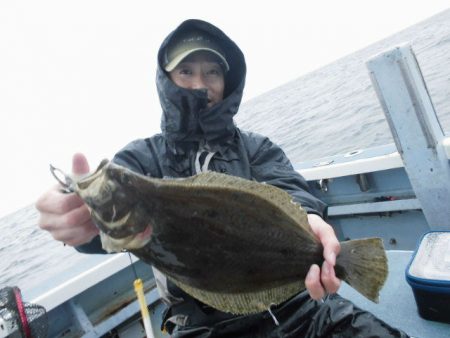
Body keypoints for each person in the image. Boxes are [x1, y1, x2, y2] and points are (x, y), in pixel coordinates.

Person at [36, 19, 409, 337]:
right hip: (202, 325)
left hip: (301, 306)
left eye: (212, 71)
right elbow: (109, 230)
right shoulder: (141, 160)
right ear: (165, 80)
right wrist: (79, 220)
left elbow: (292, 192)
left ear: (227, 81)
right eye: (186, 71)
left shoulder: (256, 148)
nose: (200, 83)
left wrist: (310, 222)